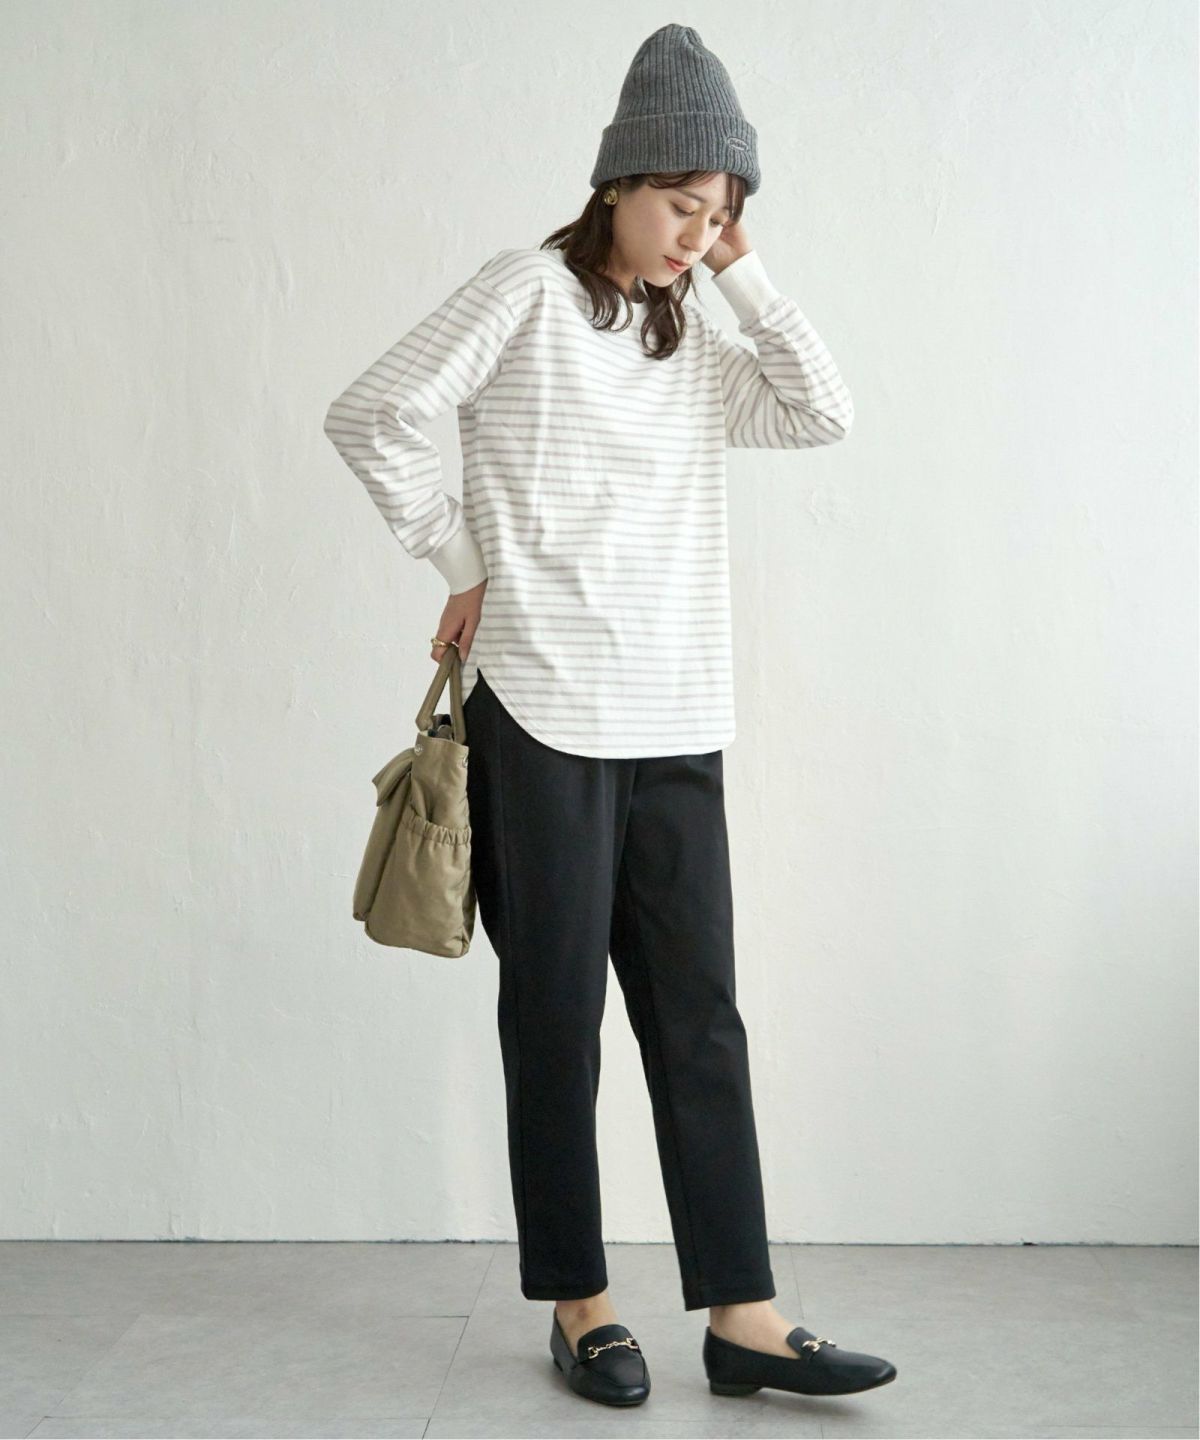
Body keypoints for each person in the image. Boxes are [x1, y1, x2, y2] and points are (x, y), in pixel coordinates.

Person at [324, 21, 897, 1411]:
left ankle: (744, 1314)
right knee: (559, 1016)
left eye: (721, 214)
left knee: (701, 1019)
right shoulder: (525, 294)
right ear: (618, 183)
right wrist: (460, 563)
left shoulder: (690, 334)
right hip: (543, 709)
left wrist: (745, 272)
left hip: (679, 708)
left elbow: (823, 411)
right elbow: (373, 410)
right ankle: (580, 1302)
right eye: (682, 206)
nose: (697, 236)